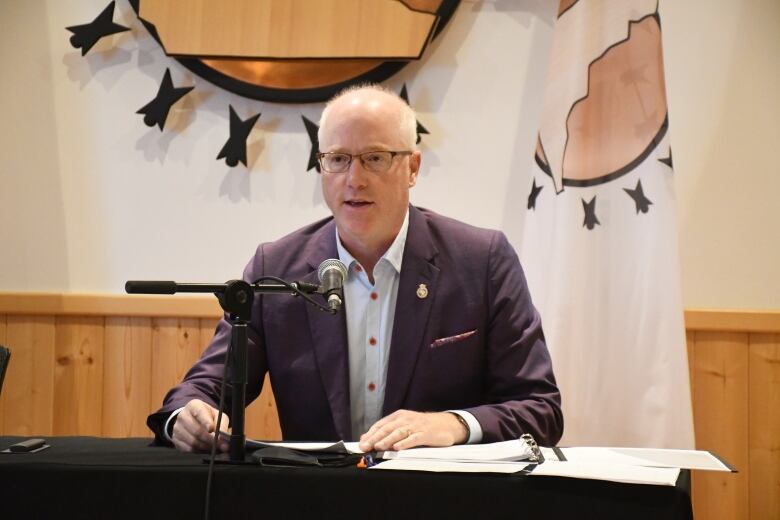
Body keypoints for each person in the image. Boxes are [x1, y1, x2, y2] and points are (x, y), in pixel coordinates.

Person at [147, 85, 563, 453]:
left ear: (413, 167)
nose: (354, 179)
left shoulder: (481, 261)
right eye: (338, 159)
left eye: (375, 158)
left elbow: (539, 409)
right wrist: (187, 415)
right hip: (319, 502)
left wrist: (452, 424)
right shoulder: (275, 266)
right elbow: (204, 388)